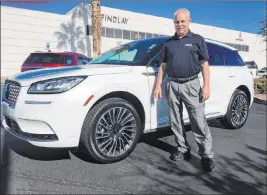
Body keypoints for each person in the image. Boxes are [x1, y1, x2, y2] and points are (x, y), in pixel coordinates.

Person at [154, 8, 215, 172]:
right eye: (176, 22)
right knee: (175, 119)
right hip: (172, 84)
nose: (179, 24)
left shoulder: (197, 40)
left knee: (198, 120)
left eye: (182, 21)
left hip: (191, 84)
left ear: (189, 21)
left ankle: (206, 155)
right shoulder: (169, 43)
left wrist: (207, 86)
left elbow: (204, 64)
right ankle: (182, 147)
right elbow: (163, 65)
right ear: (174, 23)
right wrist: (158, 85)